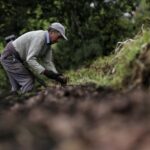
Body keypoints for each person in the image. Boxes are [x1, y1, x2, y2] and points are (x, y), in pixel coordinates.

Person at [0, 22, 68, 93]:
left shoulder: (48, 45)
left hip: (14, 57)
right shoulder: (40, 38)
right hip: (10, 57)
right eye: (59, 37)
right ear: (52, 32)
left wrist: (57, 76)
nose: (58, 40)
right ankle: (26, 101)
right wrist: (44, 71)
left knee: (16, 87)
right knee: (28, 81)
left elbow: (48, 62)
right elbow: (30, 59)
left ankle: (16, 101)